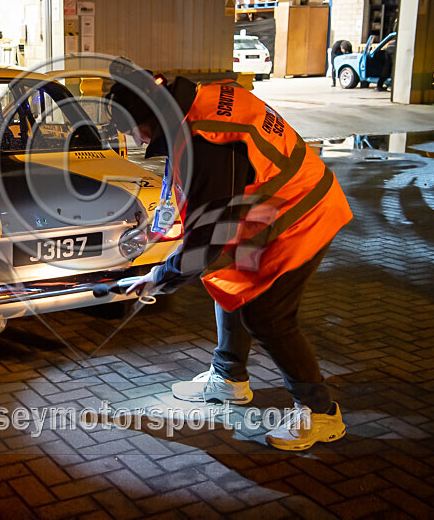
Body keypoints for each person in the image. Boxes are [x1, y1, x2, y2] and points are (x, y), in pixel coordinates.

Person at [106, 58, 353, 451]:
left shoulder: (207, 143)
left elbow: (205, 244)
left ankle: (320, 412)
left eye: (133, 130)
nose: (135, 141)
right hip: (272, 208)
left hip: (302, 214)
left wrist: (156, 278)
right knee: (231, 280)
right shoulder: (199, 103)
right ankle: (229, 378)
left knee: (267, 315)